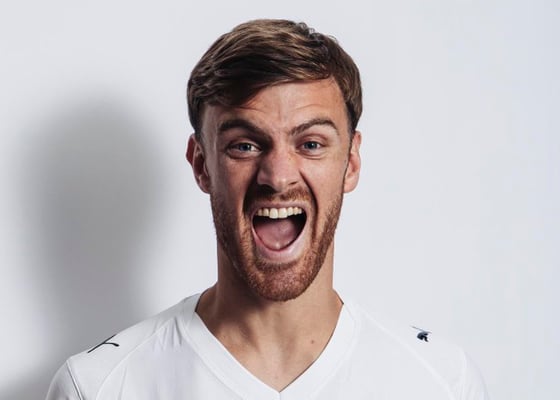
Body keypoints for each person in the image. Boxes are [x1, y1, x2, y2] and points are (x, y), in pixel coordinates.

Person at [46, 19, 489, 399]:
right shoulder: (99, 386)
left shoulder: (439, 382)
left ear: (351, 163)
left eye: (310, 144)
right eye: (245, 145)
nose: (278, 177)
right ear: (201, 164)